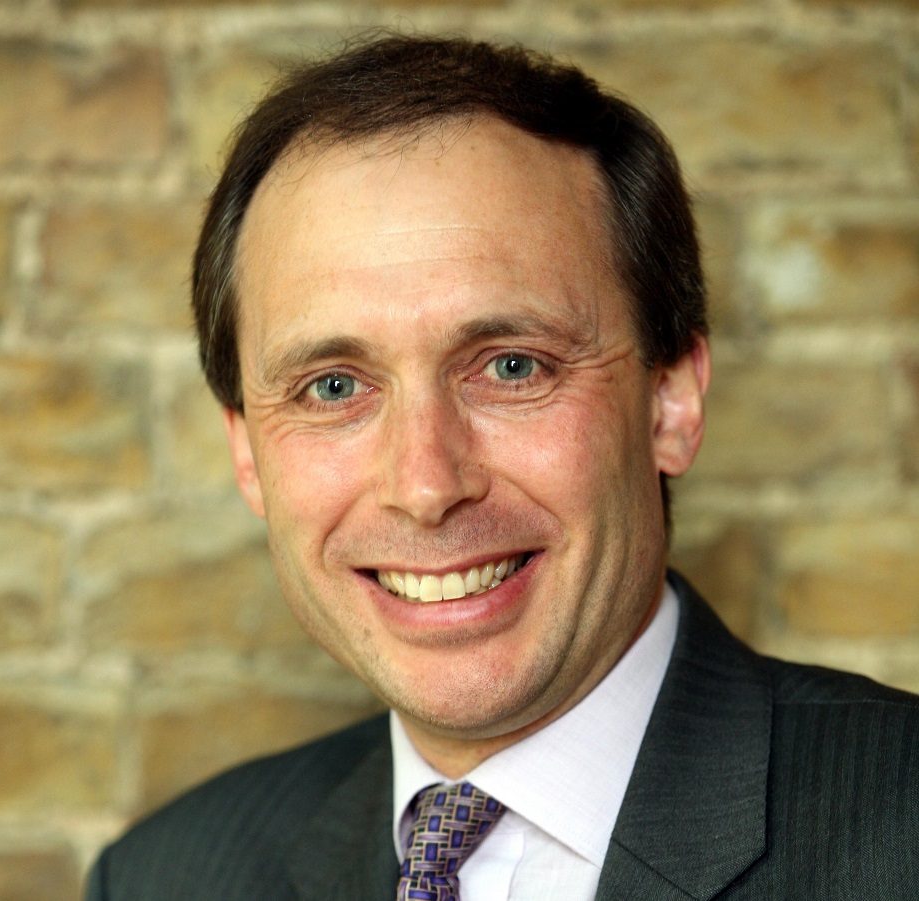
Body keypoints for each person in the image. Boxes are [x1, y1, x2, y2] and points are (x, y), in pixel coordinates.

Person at [85, 34, 919, 900]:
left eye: (512, 365)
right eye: (333, 386)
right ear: (245, 452)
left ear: (670, 401)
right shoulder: (164, 875)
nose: (426, 485)